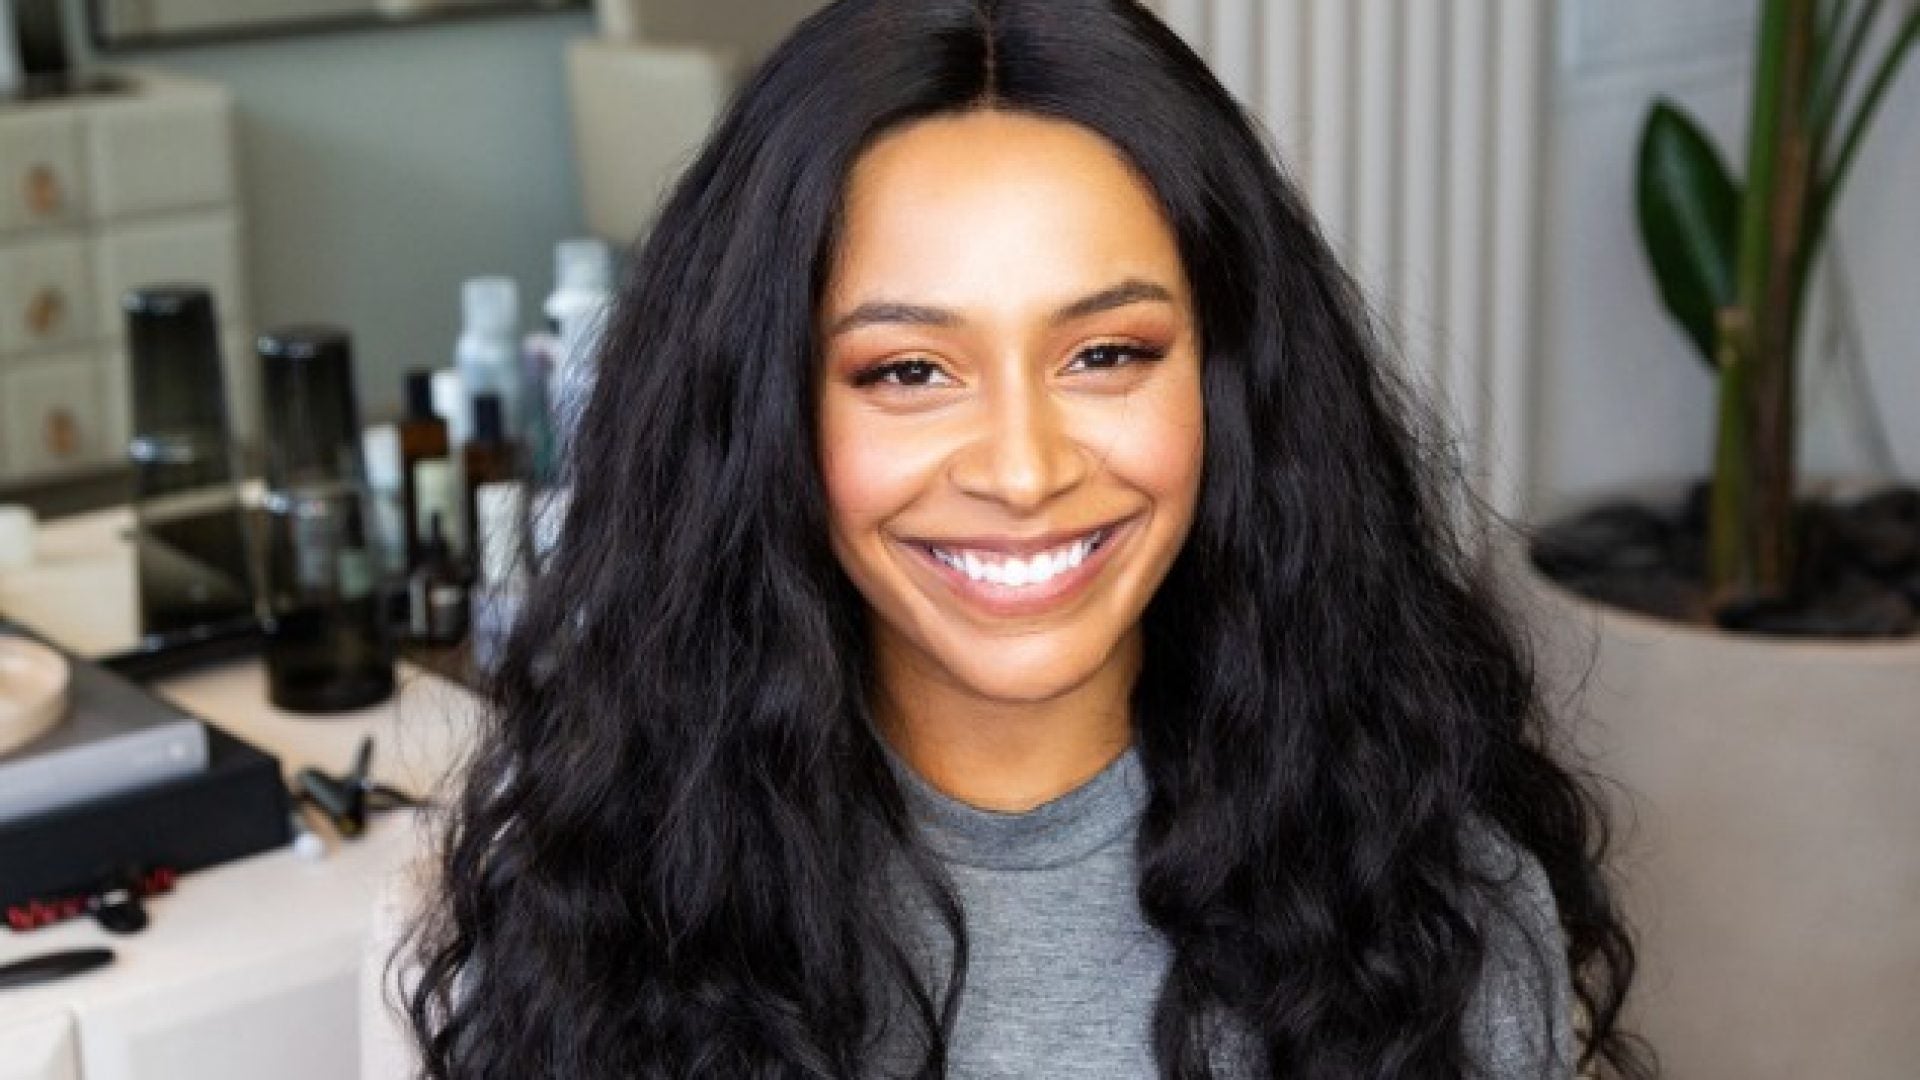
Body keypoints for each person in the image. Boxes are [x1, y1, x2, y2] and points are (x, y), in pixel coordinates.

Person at [398, 2, 1649, 1077]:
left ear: (1231, 390)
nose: (1022, 469)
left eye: (1106, 354)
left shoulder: (1433, 915)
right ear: (766, 415)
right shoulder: (595, 909)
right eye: (908, 370)